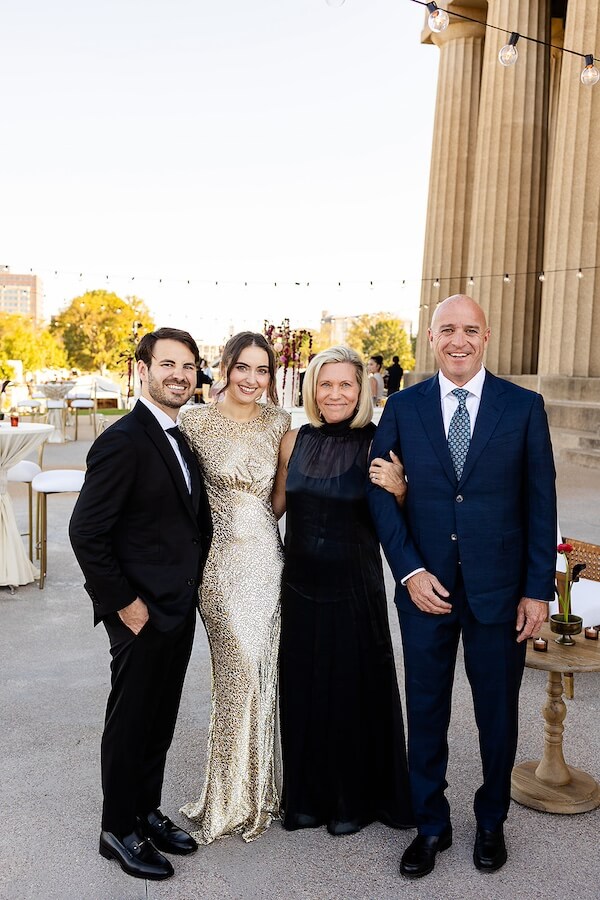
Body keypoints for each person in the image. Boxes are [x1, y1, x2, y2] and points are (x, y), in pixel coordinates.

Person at [367, 295, 556, 879]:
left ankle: (491, 820)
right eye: (447, 329)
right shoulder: (401, 406)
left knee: (497, 713)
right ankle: (430, 824)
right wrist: (410, 570)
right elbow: (380, 492)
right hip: (425, 590)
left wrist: (537, 591)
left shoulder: (524, 407)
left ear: (486, 336)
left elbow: (540, 504)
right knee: (425, 710)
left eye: (469, 330)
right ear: (430, 337)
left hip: (501, 595)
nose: (459, 340)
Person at [69, 327, 212, 882]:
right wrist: (125, 604)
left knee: (159, 717)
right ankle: (116, 828)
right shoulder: (123, 439)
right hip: (140, 611)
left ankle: (145, 812)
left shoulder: (181, 434)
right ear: (143, 370)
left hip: (177, 605)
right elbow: (86, 533)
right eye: (168, 364)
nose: (179, 375)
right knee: (130, 721)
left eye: (188, 365)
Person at [272, 345, 413, 836]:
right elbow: (271, 510)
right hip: (301, 589)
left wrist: (400, 489)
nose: (335, 393)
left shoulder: (380, 442)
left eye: (346, 385)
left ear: (362, 391)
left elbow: (409, 516)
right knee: (306, 688)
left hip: (355, 589)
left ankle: (353, 802)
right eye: (325, 384)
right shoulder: (293, 441)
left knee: (353, 692)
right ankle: (307, 799)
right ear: (312, 390)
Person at [179, 332, 290, 843]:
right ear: (224, 367)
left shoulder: (279, 423)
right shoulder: (194, 421)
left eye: (262, 370)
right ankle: (226, 797)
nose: (252, 379)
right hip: (219, 567)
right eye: (242, 368)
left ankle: (259, 791)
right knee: (235, 675)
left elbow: (280, 496)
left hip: (266, 561)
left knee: (262, 674)